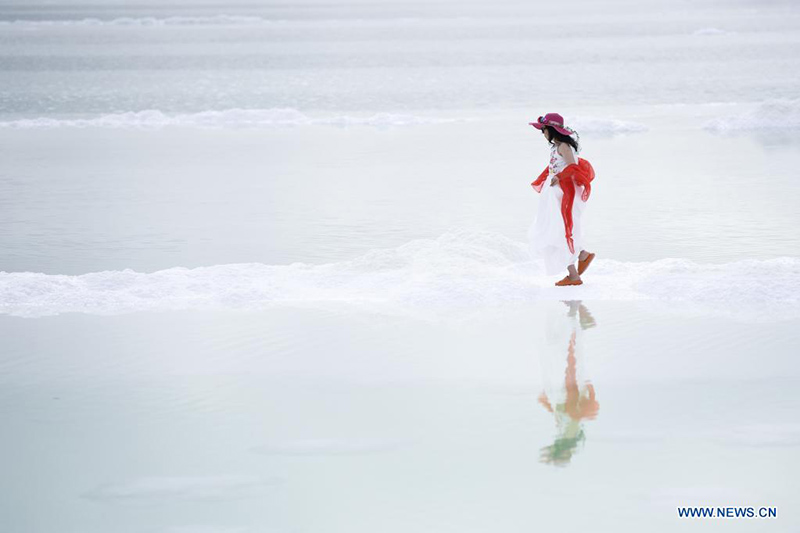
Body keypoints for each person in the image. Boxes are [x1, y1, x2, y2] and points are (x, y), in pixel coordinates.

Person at [527, 113, 596, 286]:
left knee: (558, 230)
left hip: (562, 193)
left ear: (552, 130)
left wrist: (559, 176)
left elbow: (573, 166)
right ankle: (582, 255)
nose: (542, 133)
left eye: (543, 130)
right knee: (553, 227)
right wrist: (549, 177)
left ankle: (574, 275)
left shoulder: (564, 146)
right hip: (554, 192)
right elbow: (555, 166)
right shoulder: (556, 146)